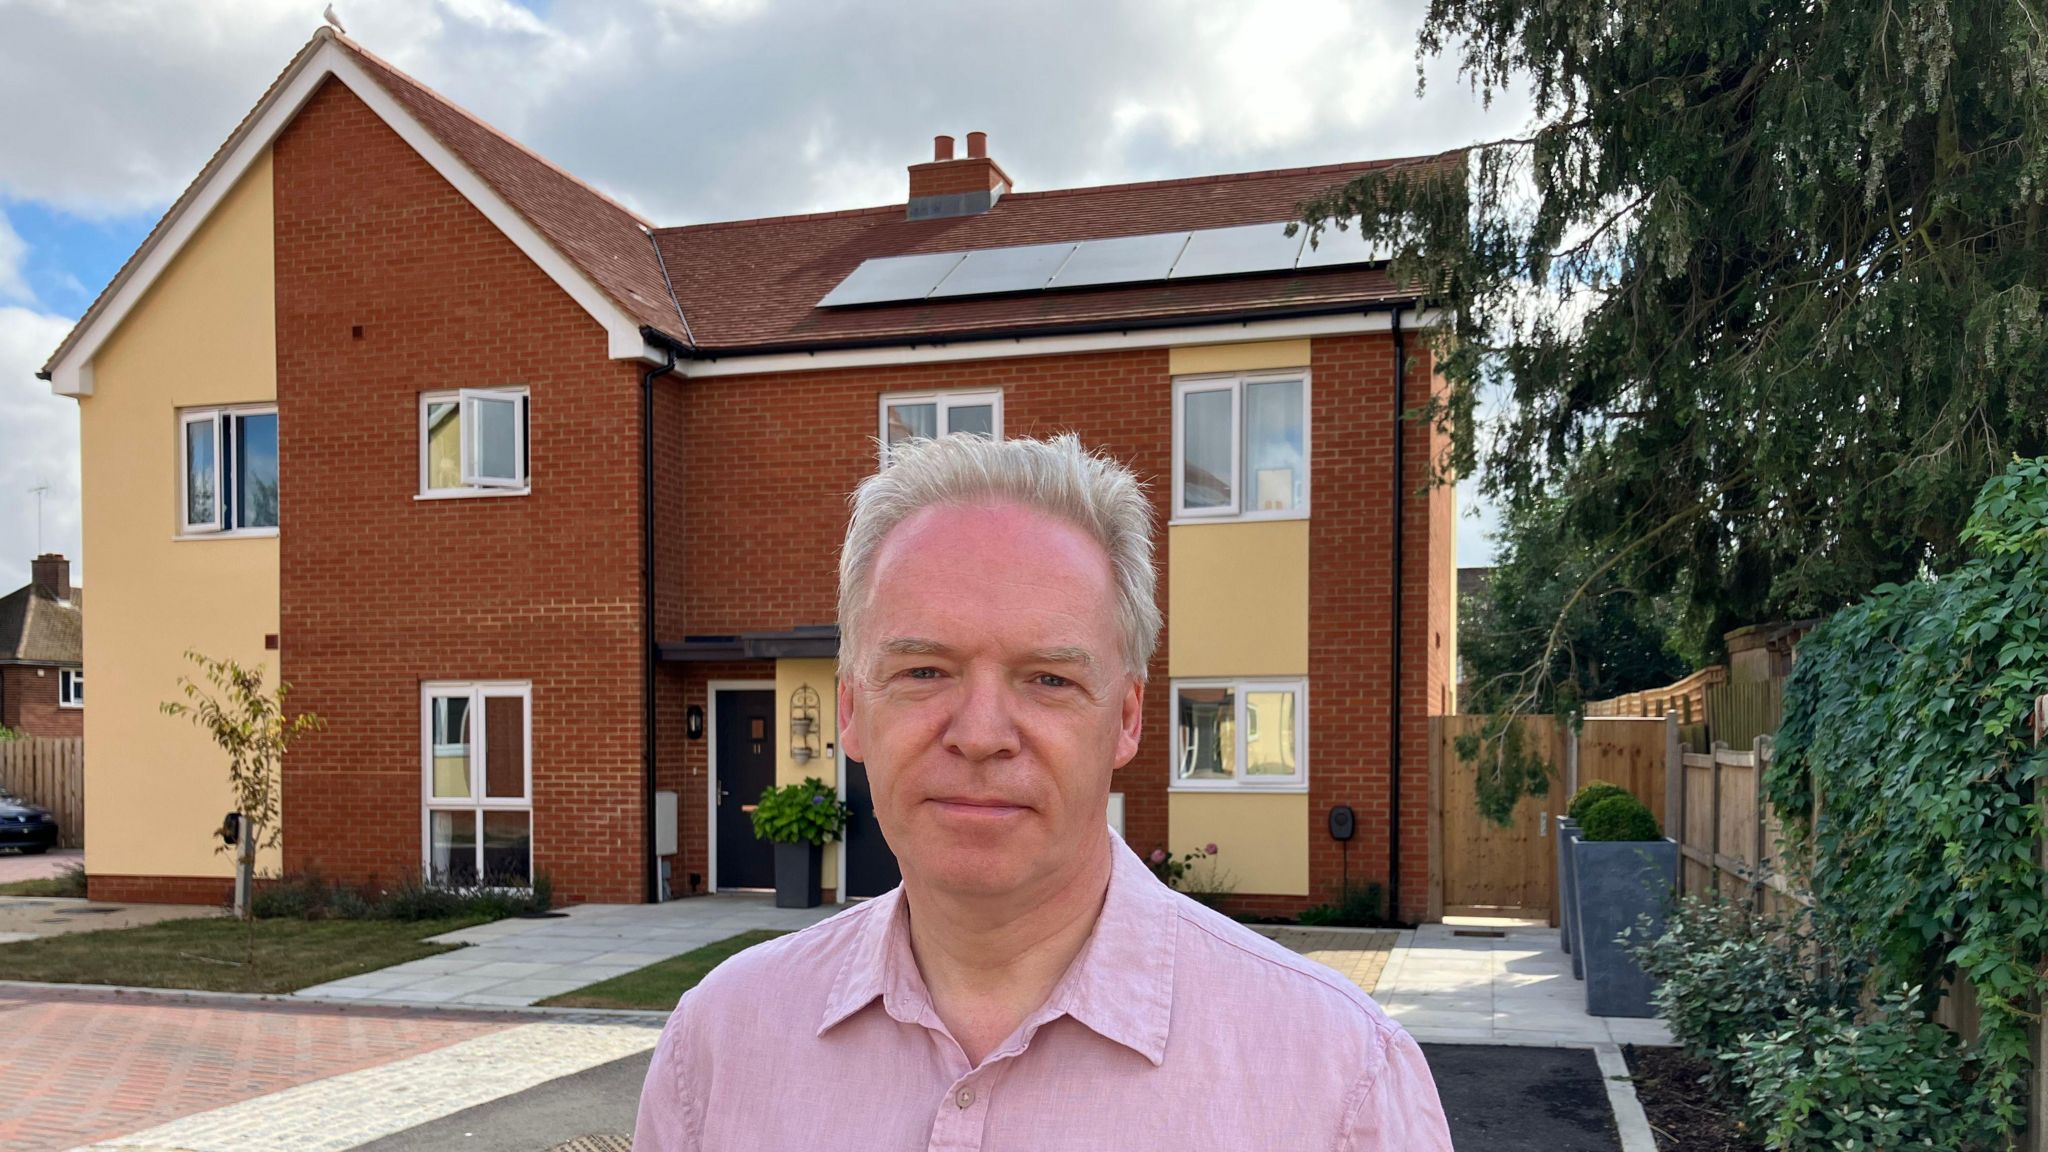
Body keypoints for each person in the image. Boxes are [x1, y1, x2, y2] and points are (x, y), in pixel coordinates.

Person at [633, 433, 1452, 1150]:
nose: (982, 732)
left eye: (1049, 679)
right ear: (851, 710)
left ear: (1127, 718)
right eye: (924, 671)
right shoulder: (719, 1044)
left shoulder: (1338, 1081)